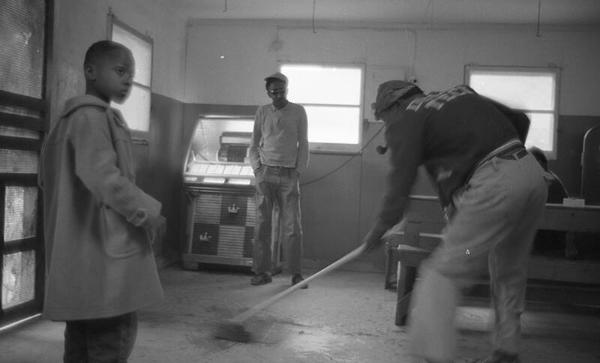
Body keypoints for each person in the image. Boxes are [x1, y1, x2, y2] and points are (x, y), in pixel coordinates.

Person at [365, 81, 547, 363]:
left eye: (383, 116)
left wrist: (378, 229)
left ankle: (435, 358)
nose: (385, 124)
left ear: (394, 105)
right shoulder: (457, 94)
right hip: (531, 177)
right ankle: (506, 352)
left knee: (442, 272)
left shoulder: (407, 118)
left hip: (496, 185)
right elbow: (519, 119)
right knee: (508, 269)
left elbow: (400, 183)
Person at [40, 40, 165, 363]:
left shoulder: (72, 120)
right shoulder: (90, 118)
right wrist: (149, 213)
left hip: (81, 261)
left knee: (81, 343)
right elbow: (105, 179)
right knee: (111, 341)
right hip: (104, 263)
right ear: (90, 71)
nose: (128, 80)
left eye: (131, 73)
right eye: (120, 70)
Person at [248, 71, 309, 287]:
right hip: (266, 174)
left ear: (287, 89)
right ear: (268, 92)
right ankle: (262, 271)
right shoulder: (262, 112)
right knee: (263, 225)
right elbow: (254, 144)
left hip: (289, 175)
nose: (277, 94)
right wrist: (258, 169)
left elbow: (304, 143)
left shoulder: (298, 111)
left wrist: (298, 171)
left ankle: (295, 274)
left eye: (281, 90)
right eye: (273, 91)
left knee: (293, 226)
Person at [528, 146, 577, 258]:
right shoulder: (550, 178)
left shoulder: (546, 182)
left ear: (539, 163)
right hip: (556, 237)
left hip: (551, 240)